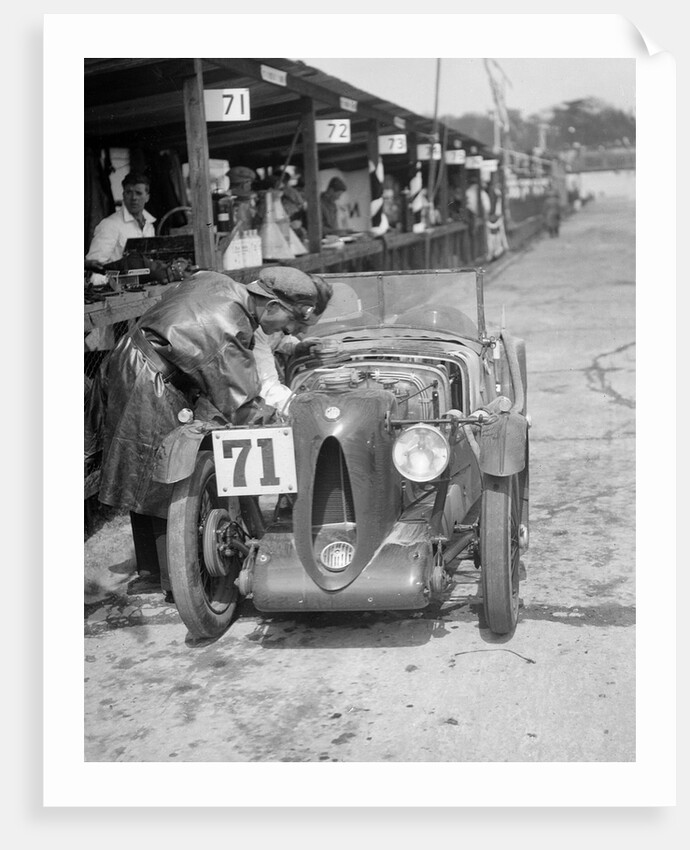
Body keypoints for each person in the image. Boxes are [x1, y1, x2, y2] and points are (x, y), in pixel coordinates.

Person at [86, 265, 333, 595]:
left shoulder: (219, 283)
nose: (287, 330)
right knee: (162, 478)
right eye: (289, 321)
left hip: (129, 360)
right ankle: (176, 584)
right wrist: (286, 428)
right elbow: (242, 402)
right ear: (271, 305)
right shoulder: (231, 326)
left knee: (141, 474)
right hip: (151, 378)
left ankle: (150, 570)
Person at [85, 171, 156, 270]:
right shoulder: (109, 225)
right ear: (123, 195)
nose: (134, 198)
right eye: (129, 192)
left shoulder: (149, 225)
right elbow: (94, 267)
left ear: (147, 197)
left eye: (138, 193)